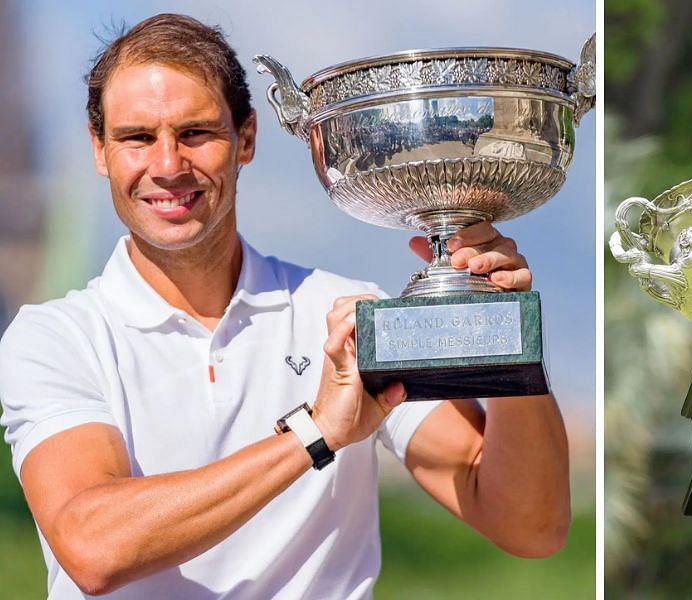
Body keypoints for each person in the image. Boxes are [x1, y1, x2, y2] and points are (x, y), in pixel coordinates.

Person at [0, 14, 570, 599]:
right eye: (137, 137)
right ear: (100, 149)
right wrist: (316, 432)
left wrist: (507, 335)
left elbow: (532, 527)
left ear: (246, 138)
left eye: (196, 133)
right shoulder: (54, 337)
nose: (168, 166)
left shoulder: (346, 314)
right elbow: (94, 548)